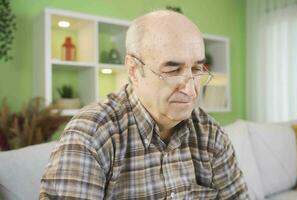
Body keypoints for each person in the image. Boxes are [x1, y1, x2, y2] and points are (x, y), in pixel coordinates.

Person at [40, 10, 249, 200]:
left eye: (196, 69)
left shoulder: (210, 134)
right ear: (133, 70)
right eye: (172, 70)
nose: (191, 89)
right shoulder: (93, 134)